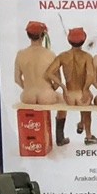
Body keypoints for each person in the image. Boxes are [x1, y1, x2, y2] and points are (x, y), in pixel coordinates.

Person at [12, 19, 65, 147]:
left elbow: (17, 79)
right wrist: (50, 89)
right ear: (43, 35)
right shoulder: (50, 54)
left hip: (27, 96)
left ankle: (32, 139)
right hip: (46, 95)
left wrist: (28, 88)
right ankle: (60, 137)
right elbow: (58, 81)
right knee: (63, 101)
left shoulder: (20, 54)